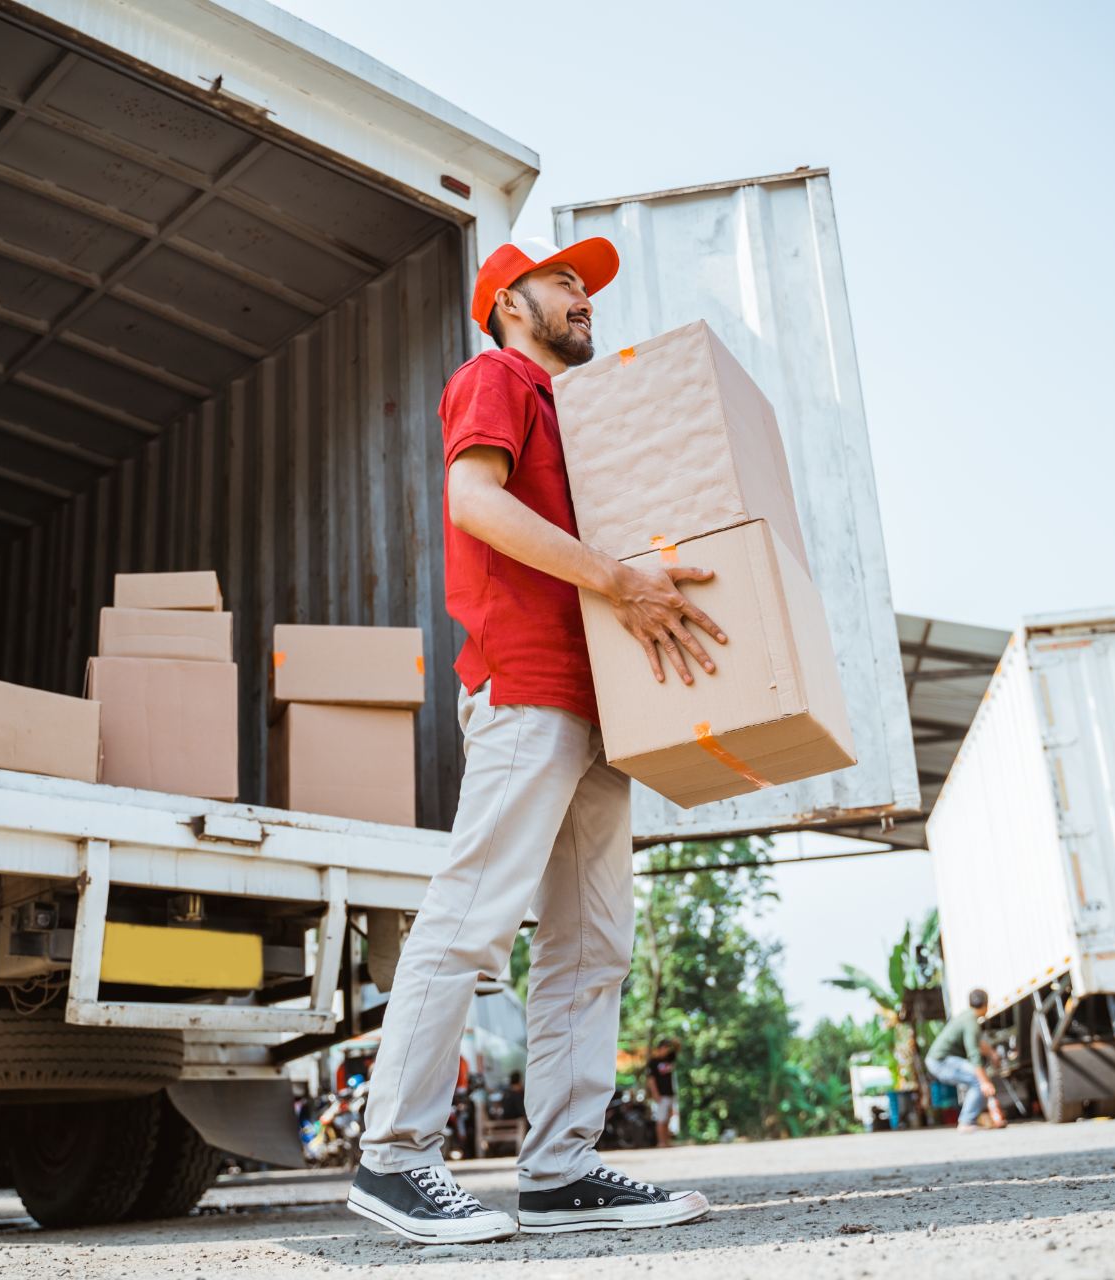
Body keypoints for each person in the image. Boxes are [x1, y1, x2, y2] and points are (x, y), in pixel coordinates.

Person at [348, 237, 722, 1245]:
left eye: (589, 285)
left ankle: (559, 1167)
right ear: (509, 299)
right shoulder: (495, 376)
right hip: (528, 687)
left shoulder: (578, 414)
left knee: (593, 941)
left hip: (602, 701)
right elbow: (474, 500)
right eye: (566, 283)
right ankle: (393, 1157)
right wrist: (613, 578)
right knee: (472, 918)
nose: (585, 296)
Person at [925, 988, 1005, 1132]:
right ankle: (966, 1121)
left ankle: (974, 1117)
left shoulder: (966, 1016)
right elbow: (974, 1054)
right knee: (978, 1080)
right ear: (986, 1004)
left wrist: (992, 1054)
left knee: (978, 1080)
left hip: (939, 1060)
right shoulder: (971, 1022)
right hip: (940, 1061)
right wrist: (985, 1082)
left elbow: (979, 1043)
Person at [646, 1039, 680, 1147]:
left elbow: (678, 1048)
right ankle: (661, 1142)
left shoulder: (669, 1058)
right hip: (661, 1094)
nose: (666, 1050)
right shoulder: (653, 1062)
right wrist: (655, 1093)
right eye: (665, 1048)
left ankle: (667, 1140)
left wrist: (673, 1041)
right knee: (661, 1119)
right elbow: (651, 1080)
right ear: (659, 1048)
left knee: (669, 1117)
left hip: (670, 1093)